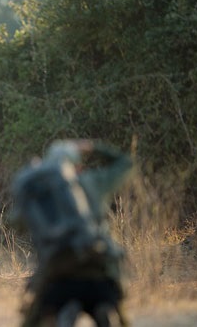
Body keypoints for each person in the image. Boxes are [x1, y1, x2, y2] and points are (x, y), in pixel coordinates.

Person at [10, 139, 133, 327]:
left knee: (33, 317)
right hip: (99, 269)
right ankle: (106, 308)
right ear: (79, 166)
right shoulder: (93, 182)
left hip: (59, 274)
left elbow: (15, 223)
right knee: (116, 306)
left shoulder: (41, 191)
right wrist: (93, 147)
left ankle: (54, 315)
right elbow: (126, 163)